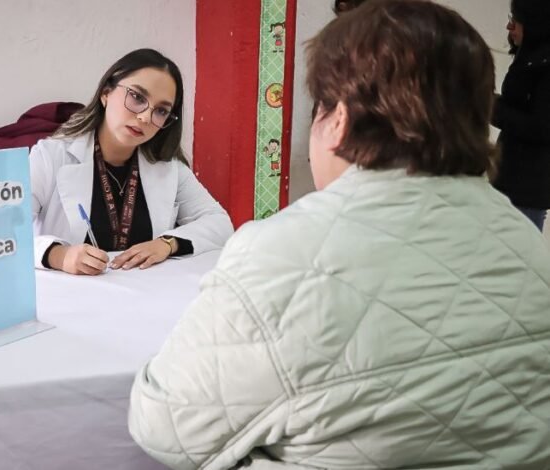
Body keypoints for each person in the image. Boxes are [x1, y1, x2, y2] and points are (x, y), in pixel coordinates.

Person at [128, 1, 550, 468]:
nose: (148, 117)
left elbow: (165, 428)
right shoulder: (529, 245)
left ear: (339, 118)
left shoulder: (281, 251)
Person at [28, 49, 233, 275]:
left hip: (143, 296)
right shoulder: (50, 156)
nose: (145, 117)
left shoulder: (168, 166)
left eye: (161, 111)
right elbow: (7, 235)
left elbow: (219, 223)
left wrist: (167, 244)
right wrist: (59, 255)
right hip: (70, 294)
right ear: (106, 93)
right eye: (137, 97)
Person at [491, 0, 550, 231]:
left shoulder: (545, 64)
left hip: (527, 187)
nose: (509, 27)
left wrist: (490, 107)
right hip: (509, 174)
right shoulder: (530, 54)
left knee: (518, 253)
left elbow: (542, 128)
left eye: (515, 21)